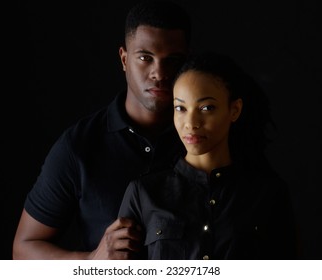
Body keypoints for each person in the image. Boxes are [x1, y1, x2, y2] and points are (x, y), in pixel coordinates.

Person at [12, 1, 192, 260]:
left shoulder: (208, 137)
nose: (159, 73)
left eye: (172, 60)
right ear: (124, 59)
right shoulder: (80, 146)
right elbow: (23, 249)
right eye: (145, 58)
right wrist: (90, 261)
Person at [118, 51, 298, 260]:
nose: (191, 123)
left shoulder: (268, 193)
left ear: (234, 110)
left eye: (206, 108)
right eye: (181, 108)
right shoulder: (144, 194)